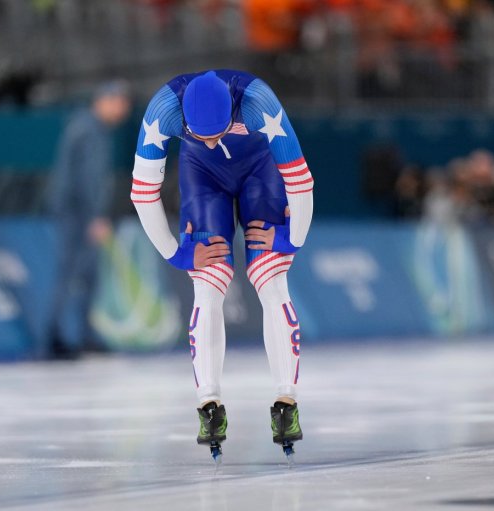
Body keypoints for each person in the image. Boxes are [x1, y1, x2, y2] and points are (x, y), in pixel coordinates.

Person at [130, 70, 314, 460]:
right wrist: (175, 254)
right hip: (203, 179)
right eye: (202, 135)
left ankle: (287, 401)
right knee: (208, 281)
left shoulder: (258, 100)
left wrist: (290, 239)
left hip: (260, 173)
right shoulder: (164, 109)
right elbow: (142, 193)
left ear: (234, 111)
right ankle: (208, 403)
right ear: (185, 120)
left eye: (218, 132)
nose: (212, 141)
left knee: (271, 276)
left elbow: (300, 181)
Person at [47, 81, 132, 359]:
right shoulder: (89, 131)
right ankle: (56, 337)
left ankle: (83, 334)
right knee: (71, 273)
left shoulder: (89, 128)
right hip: (78, 214)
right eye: (120, 104)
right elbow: (87, 178)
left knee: (87, 275)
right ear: (106, 100)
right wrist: (94, 216)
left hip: (77, 212)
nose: (123, 112)